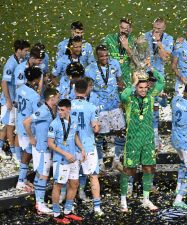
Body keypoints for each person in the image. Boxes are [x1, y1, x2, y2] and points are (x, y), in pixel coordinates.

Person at [119, 67, 164, 212]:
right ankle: (123, 200)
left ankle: (146, 199)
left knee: (148, 168)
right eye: (140, 87)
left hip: (147, 140)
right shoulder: (129, 100)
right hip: (132, 140)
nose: (144, 90)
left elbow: (161, 82)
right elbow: (123, 96)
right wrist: (134, 82)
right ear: (136, 87)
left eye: (145, 87)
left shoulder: (151, 97)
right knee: (128, 170)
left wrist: (152, 69)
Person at [85, 45, 125, 170]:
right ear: (97, 56)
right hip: (100, 106)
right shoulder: (90, 69)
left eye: (107, 55)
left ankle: (117, 159)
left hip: (115, 103)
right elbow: (89, 87)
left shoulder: (115, 64)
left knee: (120, 132)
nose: (105, 58)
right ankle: (100, 161)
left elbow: (120, 80)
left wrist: (122, 96)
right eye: (102, 56)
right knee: (100, 135)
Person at [48, 99, 86, 224]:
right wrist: (65, 153)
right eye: (58, 109)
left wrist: (82, 149)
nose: (60, 112)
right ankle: (56, 213)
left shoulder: (74, 120)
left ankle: (68, 211)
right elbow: (50, 144)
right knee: (58, 185)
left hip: (73, 158)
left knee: (74, 184)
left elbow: (74, 135)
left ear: (69, 109)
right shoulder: (54, 123)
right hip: (61, 160)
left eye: (62, 110)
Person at [23, 88, 59, 214]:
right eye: (57, 97)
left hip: (45, 147)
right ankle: (40, 204)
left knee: (41, 174)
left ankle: (39, 204)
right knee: (43, 175)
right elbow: (26, 121)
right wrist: (31, 137)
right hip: (42, 148)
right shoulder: (43, 110)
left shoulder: (49, 109)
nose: (58, 99)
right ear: (52, 97)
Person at [71, 79, 103, 216]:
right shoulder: (91, 107)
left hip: (71, 147)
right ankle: (97, 208)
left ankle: (69, 206)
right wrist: (98, 126)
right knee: (93, 176)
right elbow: (95, 129)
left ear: (74, 90)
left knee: (72, 178)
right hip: (88, 147)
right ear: (87, 90)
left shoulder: (68, 106)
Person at [0, 39, 30, 161]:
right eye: (26, 50)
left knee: (10, 125)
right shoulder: (10, 64)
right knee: (6, 126)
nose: (27, 53)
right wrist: (8, 100)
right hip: (9, 101)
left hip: (15, 100)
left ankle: (12, 151)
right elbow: (4, 82)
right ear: (18, 51)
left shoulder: (21, 60)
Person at [15, 67, 42, 191]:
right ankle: (20, 181)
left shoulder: (20, 89)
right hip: (28, 128)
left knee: (26, 152)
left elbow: (16, 104)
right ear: (36, 79)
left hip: (19, 124)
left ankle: (23, 178)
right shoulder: (34, 96)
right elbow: (38, 114)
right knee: (28, 153)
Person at [102, 17, 135, 87]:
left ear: (130, 30)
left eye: (126, 29)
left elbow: (136, 62)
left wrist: (127, 48)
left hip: (126, 79)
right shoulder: (109, 39)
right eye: (122, 28)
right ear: (119, 26)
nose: (123, 31)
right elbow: (100, 55)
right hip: (111, 78)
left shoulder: (133, 41)